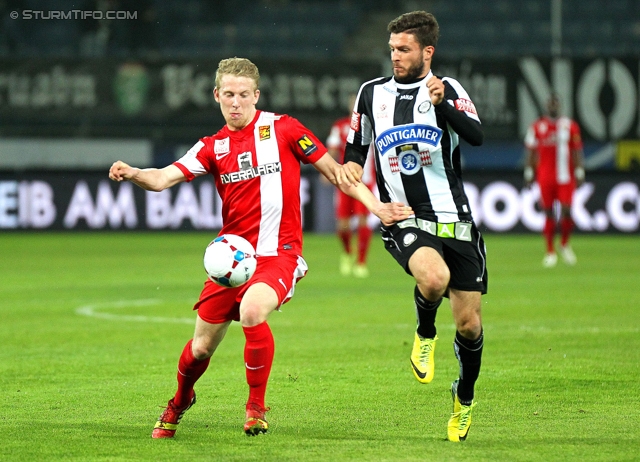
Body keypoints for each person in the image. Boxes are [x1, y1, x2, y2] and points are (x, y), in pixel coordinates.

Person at [108, 57, 409, 439]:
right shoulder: (212, 147)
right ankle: (179, 402)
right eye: (229, 95)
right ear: (217, 95)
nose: (236, 102)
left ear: (256, 95)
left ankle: (255, 409)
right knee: (200, 348)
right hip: (231, 259)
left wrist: (376, 207)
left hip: (279, 253)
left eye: (244, 95)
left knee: (252, 311)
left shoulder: (283, 129)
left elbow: (336, 173)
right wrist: (135, 174)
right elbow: (163, 178)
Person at [341, 11, 486, 442]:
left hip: (455, 220)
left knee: (470, 326)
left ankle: (464, 398)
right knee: (433, 276)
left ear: (427, 51)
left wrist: (443, 105)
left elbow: (477, 136)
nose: (395, 57)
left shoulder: (449, 89)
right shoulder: (371, 95)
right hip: (405, 218)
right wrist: (372, 202)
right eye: (391, 49)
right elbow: (353, 156)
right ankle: (425, 333)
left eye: (403, 50)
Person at [524, 93, 585, 268]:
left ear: (559, 106)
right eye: (550, 103)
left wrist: (580, 170)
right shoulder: (536, 127)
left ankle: (564, 244)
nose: (553, 106)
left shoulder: (570, 126)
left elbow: (577, 150)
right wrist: (529, 172)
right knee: (549, 212)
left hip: (566, 177)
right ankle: (550, 251)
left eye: (555, 103)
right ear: (546, 106)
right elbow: (531, 152)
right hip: (545, 176)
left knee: (566, 210)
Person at [325, 93, 377, 278]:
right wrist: (327, 170)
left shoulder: (373, 125)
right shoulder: (340, 126)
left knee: (363, 221)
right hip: (343, 182)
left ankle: (361, 262)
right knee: (343, 226)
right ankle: (347, 252)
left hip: (365, 181)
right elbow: (331, 150)